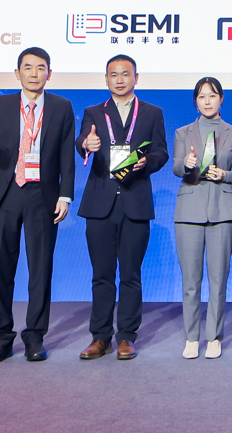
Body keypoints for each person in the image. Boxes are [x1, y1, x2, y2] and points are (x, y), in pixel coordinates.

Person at [0, 46, 76, 363]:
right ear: (17, 73)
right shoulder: (0, 104)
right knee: (1, 267)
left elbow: (67, 156)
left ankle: (35, 337)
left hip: (42, 195)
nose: (33, 73)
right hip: (5, 194)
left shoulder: (61, 107)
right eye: (27, 68)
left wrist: (65, 195)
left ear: (49, 74)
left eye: (40, 68)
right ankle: (1, 337)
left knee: (40, 268)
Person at [74, 55, 168, 362]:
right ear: (106, 79)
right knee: (101, 275)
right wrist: (86, 145)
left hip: (135, 202)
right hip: (100, 203)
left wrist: (147, 162)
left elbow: (161, 152)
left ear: (136, 78)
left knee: (131, 274)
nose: (119, 79)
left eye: (125, 74)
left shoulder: (152, 113)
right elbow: (81, 141)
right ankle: (100, 337)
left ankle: (126, 336)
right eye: (113, 74)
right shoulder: (93, 112)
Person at [171, 76, 232, 360]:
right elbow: (176, 167)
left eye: (212, 96)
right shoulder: (183, 132)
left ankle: (214, 336)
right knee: (190, 281)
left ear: (221, 99)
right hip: (189, 211)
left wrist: (226, 175)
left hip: (222, 211)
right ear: (195, 101)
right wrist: (187, 163)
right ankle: (192, 337)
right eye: (202, 96)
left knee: (218, 280)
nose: (207, 101)